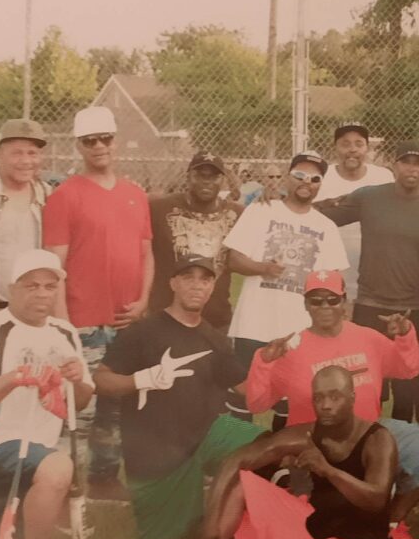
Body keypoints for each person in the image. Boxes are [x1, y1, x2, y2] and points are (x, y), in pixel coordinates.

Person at [147, 366, 397, 539]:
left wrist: (328, 471)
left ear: (352, 397)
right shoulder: (308, 434)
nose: (326, 406)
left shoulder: (378, 440)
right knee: (242, 482)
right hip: (313, 527)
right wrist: (211, 522)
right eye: (318, 398)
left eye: (335, 396)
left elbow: (376, 500)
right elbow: (237, 460)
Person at [246, 270, 419, 539]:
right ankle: (294, 498)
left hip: (368, 433)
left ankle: (391, 524)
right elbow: (257, 404)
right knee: (311, 527)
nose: (325, 307)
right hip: (316, 443)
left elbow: (408, 368)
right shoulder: (292, 349)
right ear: (305, 304)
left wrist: (404, 335)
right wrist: (263, 362)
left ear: (345, 301)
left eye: (332, 299)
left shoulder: (368, 338)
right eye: (316, 301)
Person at [93, 255, 263, 539]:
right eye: (188, 277)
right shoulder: (143, 332)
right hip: (158, 453)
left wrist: (274, 365)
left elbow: (249, 389)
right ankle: (202, 503)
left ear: (213, 287)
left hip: (209, 438)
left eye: (205, 279)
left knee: (269, 446)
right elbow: (101, 380)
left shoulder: (214, 338)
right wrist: (141, 380)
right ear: (173, 283)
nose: (197, 285)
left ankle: (244, 521)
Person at [42, 106, 153, 503]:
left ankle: (103, 480)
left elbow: (146, 254)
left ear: (115, 140)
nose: (99, 146)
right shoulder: (65, 196)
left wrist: (142, 300)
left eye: (105, 138)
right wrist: (62, 326)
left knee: (116, 407)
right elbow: (53, 266)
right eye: (90, 141)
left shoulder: (134, 194)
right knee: (77, 408)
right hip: (82, 323)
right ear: (79, 145)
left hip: (125, 323)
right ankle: (61, 487)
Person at [0, 249, 93, 539]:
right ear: (13, 288)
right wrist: (12, 379)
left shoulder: (65, 332)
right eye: (32, 286)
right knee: (57, 468)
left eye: (49, 286)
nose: (42, 294)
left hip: (33, 455)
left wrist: (77, 381)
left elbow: (82, 402)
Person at [321, 141, 419, 425]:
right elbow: (325, 216)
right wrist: (292, 202)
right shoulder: (369, 197)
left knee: (409, 390)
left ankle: (402, 455)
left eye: (418, 163)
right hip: (371, 306)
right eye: (405, 161)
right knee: (367, 388)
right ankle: (364, 450)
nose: (411, 168)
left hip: (417, 309)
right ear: (394, 165)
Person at [223, 150, 348, 426]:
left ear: (320, 185)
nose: (307, 182)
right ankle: (238, 463)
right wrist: (262, 268)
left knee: (292, 401)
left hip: (299, 328)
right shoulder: (261, 210)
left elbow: (333, 281)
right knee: (244, 395)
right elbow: (233, 258)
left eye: (315, 178)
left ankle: (280, 468)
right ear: (288, 178)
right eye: (300, 175)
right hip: (254, 324)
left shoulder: (326, 227)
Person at [148, 152, 243, 331]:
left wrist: (267, 199)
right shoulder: (159, 209)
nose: (206, 181)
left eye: (213, 176)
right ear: (188, 177)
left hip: (216, 321)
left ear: (222, 180)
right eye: (200, 175)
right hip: (166, 320)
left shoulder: (237, 214)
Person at [0, 119, 52, 326]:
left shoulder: (47, 194)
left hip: (28, 314)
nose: (26, 161)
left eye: (32, 153)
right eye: (17, 153)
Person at [316, 122, 393, 302]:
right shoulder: (320, 178)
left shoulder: (383, 177)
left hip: (373, 270)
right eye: (345, 144)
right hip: (329, 267)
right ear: (335, 148)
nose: (352, 149)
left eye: (359, 144)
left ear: (367, 148)